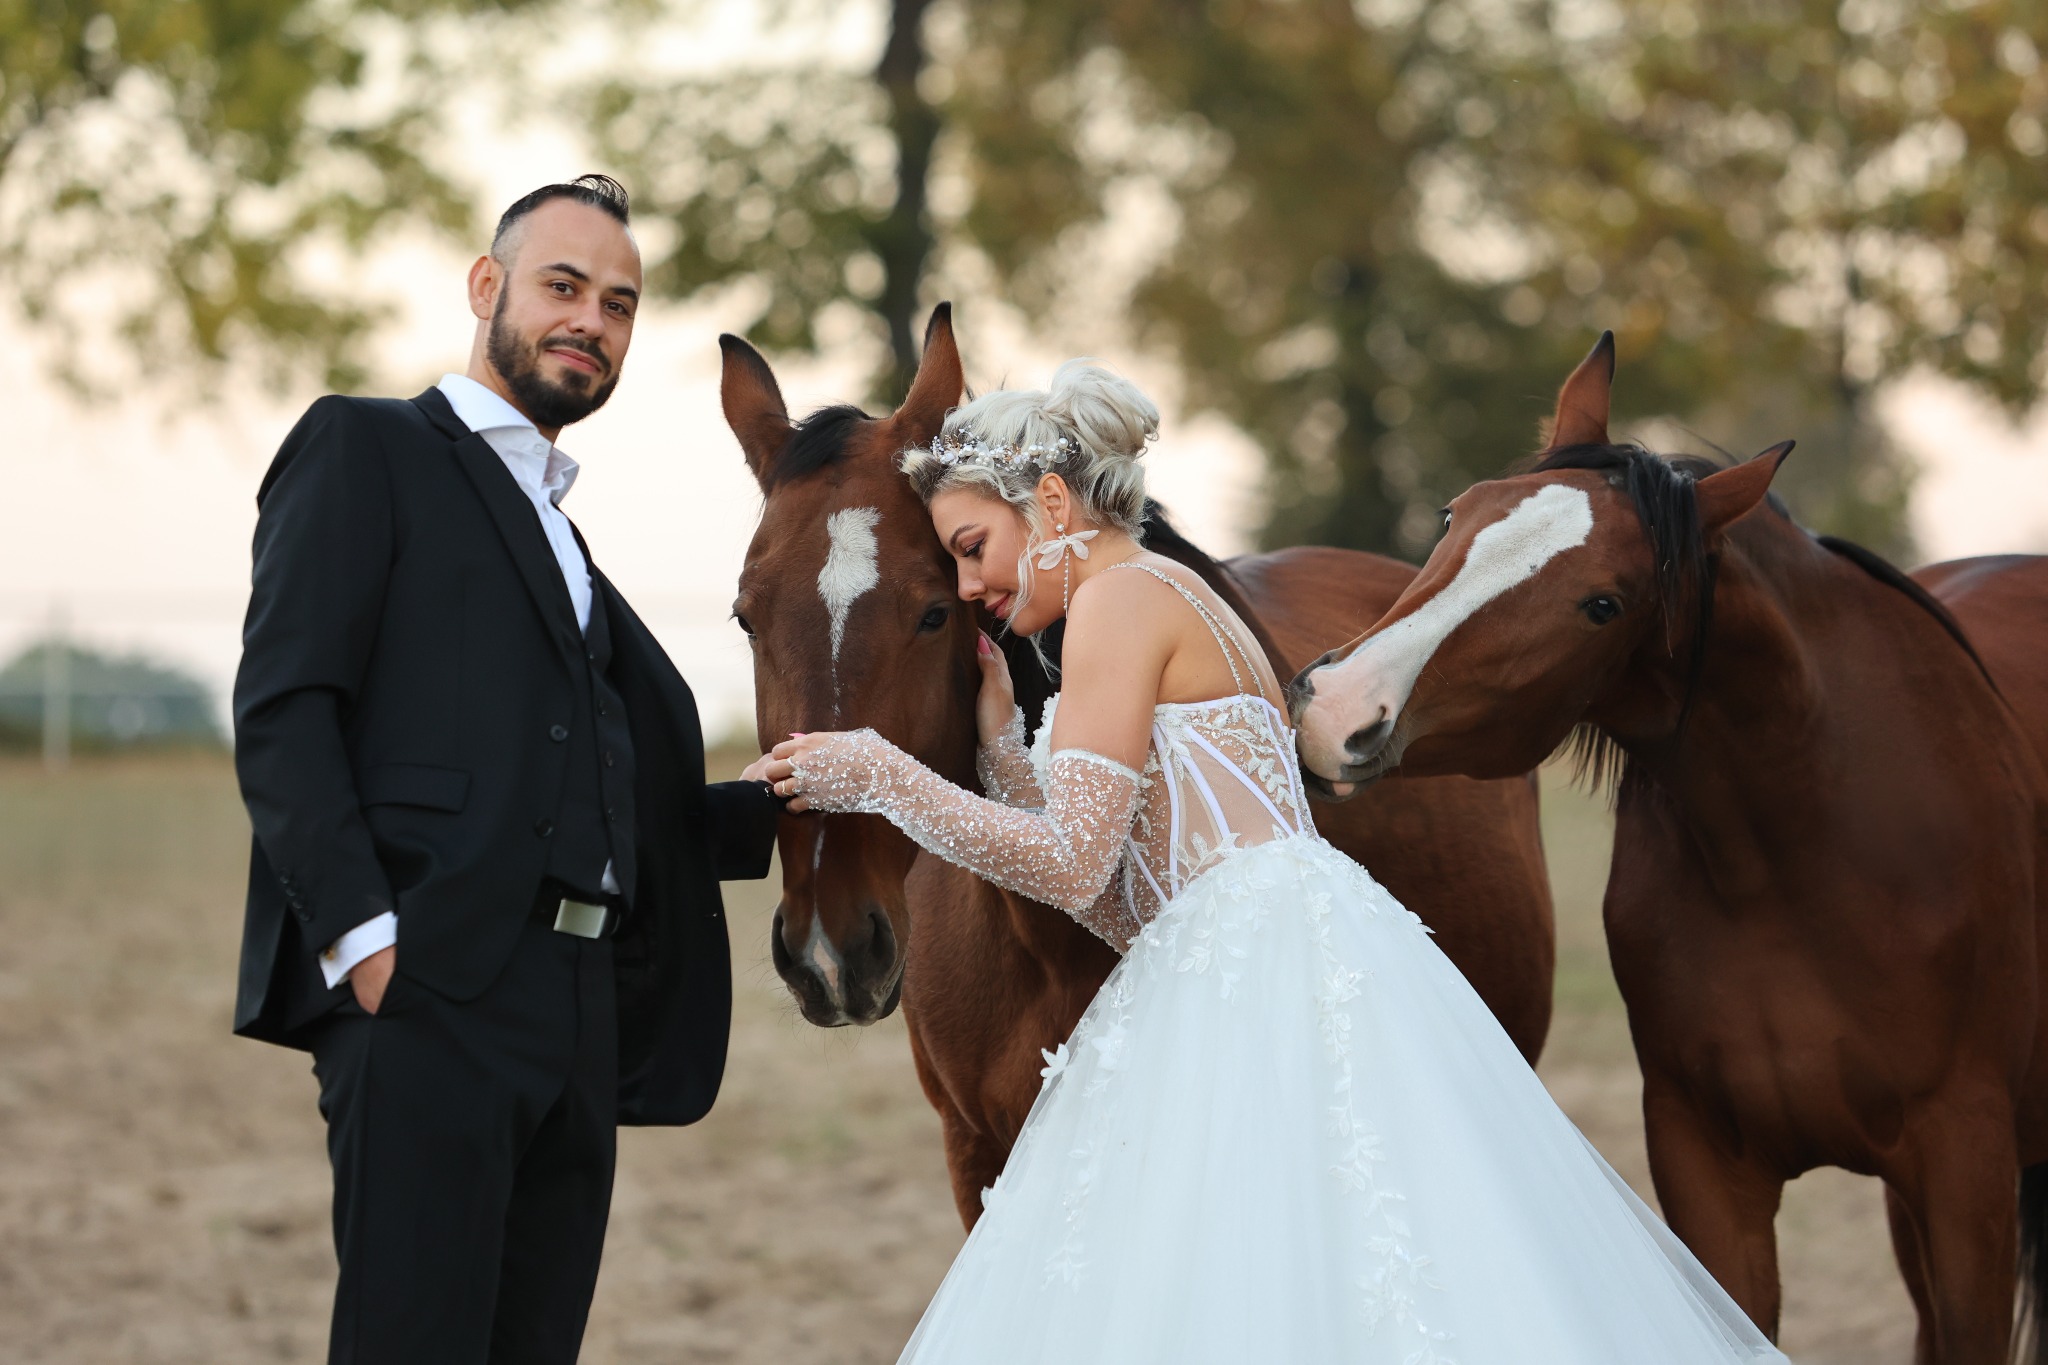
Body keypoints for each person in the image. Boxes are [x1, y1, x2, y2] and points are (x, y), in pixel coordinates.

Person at [759, 360, 1789, 1362]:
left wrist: (880, 775)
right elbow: (1134, 899)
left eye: (974, 545)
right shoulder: (1179, 599)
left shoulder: (1117, 606)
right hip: (1245, 956)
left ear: (1057, 502)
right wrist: (993, 754)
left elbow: (1073, 868)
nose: (970, 581)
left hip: (1251, 989)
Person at [231, 174, 784, 1365]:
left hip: (578, 1011)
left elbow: (587, 772)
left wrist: (784, 805)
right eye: (564, 287)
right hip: (428, 991)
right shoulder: (363, 446)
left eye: (620, 304)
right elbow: (284, 710)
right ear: (487, 289)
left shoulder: (563, 530)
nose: (591, 320)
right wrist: (362, 943)